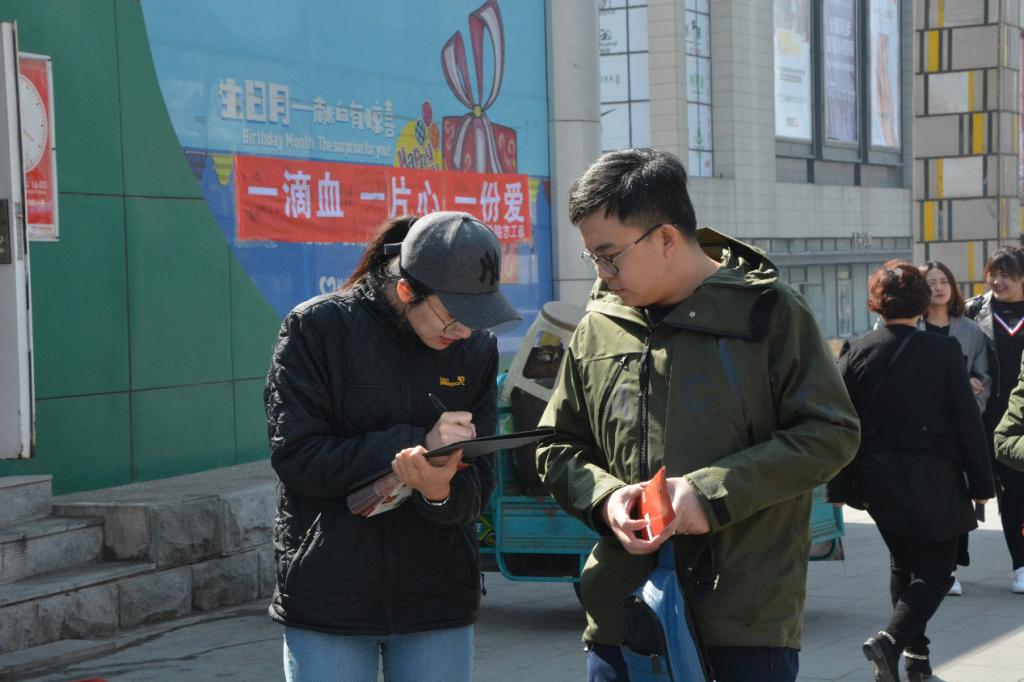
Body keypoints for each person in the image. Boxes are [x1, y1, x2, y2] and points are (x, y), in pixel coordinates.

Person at [535, 148, 861, 682]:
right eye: (592, 257)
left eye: (610, 256)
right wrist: (604, 499)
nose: (602, 273)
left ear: (666, 237)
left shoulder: (769, 312)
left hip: (741, 625)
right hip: (622, 619)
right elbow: (555, 445)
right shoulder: (599, 324)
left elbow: (831, 433)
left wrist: (708, 495)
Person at [264, 212, 520, 682]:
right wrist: (416, 445)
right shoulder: (316, 328)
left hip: (437, 596)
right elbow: (298, 458)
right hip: (331, 594)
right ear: (406, 290)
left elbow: (479, 486)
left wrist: (439, 491)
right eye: (453, 316)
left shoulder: (476, 350)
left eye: (476, 317)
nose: (464, 332)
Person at [828, 262, 994, 682]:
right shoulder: (942, 351)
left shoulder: (856, 351)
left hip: (878, 481)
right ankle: (889, 641)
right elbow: (967, 422)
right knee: (937, 572)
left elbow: (842, 425)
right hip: (935, 478)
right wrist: (981, 482)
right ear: (922, 304)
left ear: (876, 303)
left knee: (904, 566)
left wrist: (840, 487)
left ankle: (916, 662)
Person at [920, 260, 991, 596]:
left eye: (943, 281)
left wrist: (970, 401)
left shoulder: (970, 330)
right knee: (925, 499)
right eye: (930, 282)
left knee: (956, 500)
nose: (938, 287)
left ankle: (949, 566)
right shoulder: (911, 327)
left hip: (958, 431)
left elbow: (983, 380)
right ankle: (930, 566)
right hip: (920, 429)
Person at [965, 246, 1024, 594]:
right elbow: (950, 346)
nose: (998, 281)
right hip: (995, 418)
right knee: (1012, 493)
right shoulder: (975, 310)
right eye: (993, 274)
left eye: (1007, 275)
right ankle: (1021, 565)